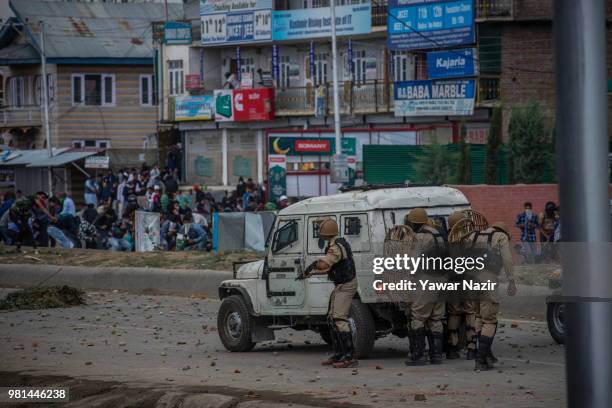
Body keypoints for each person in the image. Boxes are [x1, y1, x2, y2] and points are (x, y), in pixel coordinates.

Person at [450, 211, 517, 371]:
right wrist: (511, 280)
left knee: (479, 316)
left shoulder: (473, 235)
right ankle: (480, 360)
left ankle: (485, 355)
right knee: (490, 320)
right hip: (487, 279)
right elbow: (507, 259)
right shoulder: (500, 237)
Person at [303, 218, 358, 368]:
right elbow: (331, 268)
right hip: (342, 284)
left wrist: (314, 265)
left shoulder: (335, 247)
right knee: (331, 319)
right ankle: (339, 354)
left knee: (339, 319)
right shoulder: (338, 243)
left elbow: (325, 264)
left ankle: (349, 356)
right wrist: (312, 273)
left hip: (345, 285)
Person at [404, 208, 446, 365]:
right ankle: (436, 356)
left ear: (414, 223)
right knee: (436, 319)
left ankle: (418, 355)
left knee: (418, 317)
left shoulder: (419, 237)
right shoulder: (438, 235)